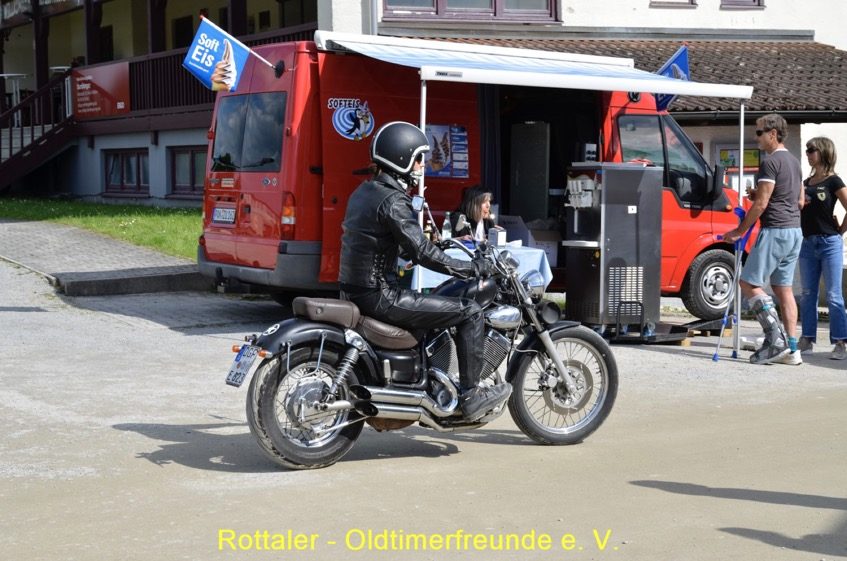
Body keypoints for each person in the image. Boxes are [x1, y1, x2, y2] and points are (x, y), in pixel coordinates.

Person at [338, 121, 512, 421]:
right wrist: (471, 268)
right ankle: (471, 395)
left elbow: (390, 242)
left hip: (356, 290)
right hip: (381, 296)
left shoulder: (365, 191)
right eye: (418, 158)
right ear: (402, 157)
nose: (422, 165)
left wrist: (432, 247)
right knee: (470, 311)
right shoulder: (393, 199)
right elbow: (421, 253)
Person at [724, 113, 804, 365]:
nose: (755, 137)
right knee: (783, 289)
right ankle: (793, 349)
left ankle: (775, 339)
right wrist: (759, 194)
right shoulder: (794, 161)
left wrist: (739, 230)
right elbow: (798, 200)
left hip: (776, 230)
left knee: (747, 283)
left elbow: (761, 204)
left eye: (759, 132)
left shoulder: (770, 162)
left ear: (773, 134)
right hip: (794, 230)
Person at [797, 136, 847, 360]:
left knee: (834, 295)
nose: (808, 154)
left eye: (812, 150)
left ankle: (840, 342)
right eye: (807, 150)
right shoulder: (805, 183)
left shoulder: (834, 181)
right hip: (807, 243)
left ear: (824, 152)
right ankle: (807, 339)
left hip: (829, 243)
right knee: (808, 294)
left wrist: (841, 231)